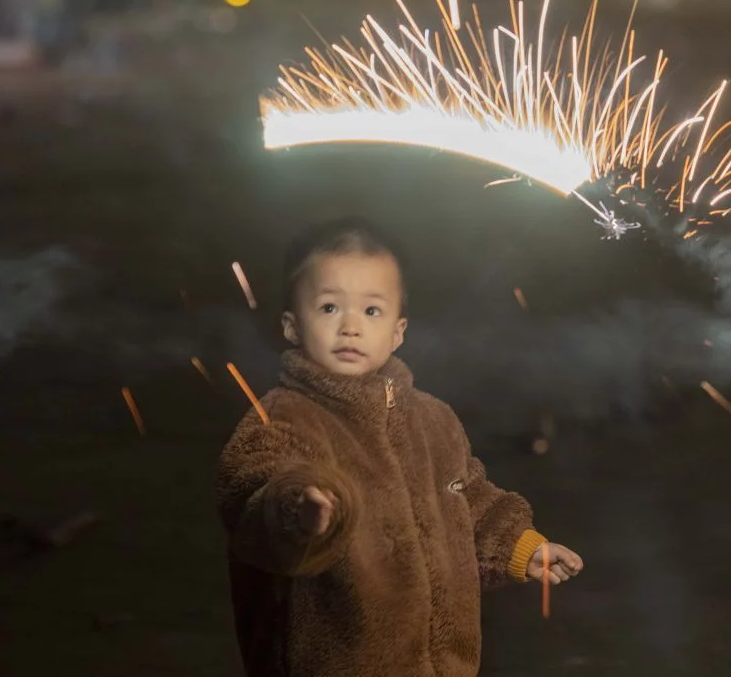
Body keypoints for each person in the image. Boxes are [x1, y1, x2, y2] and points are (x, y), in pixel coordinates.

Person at [216, 217, 583, 677]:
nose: (350, 327)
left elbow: (468, 502)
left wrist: (519, 546)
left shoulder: (434, 421)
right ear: (292, 326)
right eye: (329, 308)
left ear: (398, 331)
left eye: (371, 312)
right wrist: (298, 509)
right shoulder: (284, 418)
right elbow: (253, 488)